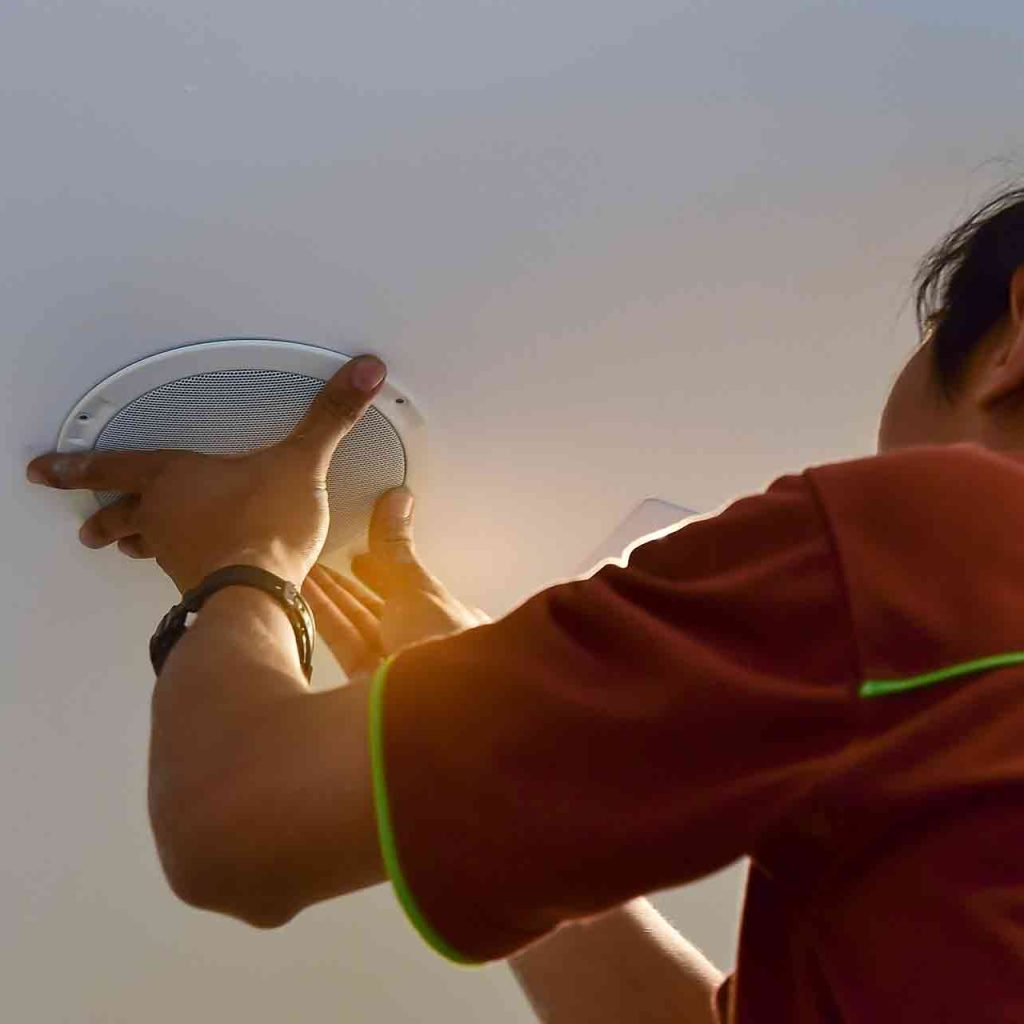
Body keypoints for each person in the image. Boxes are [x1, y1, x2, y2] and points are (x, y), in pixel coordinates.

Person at [25, 183, 1024, 1023]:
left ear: (1009, 336)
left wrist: (242, 556)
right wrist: (458, 718)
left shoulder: (942, 539)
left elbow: (231, 825)